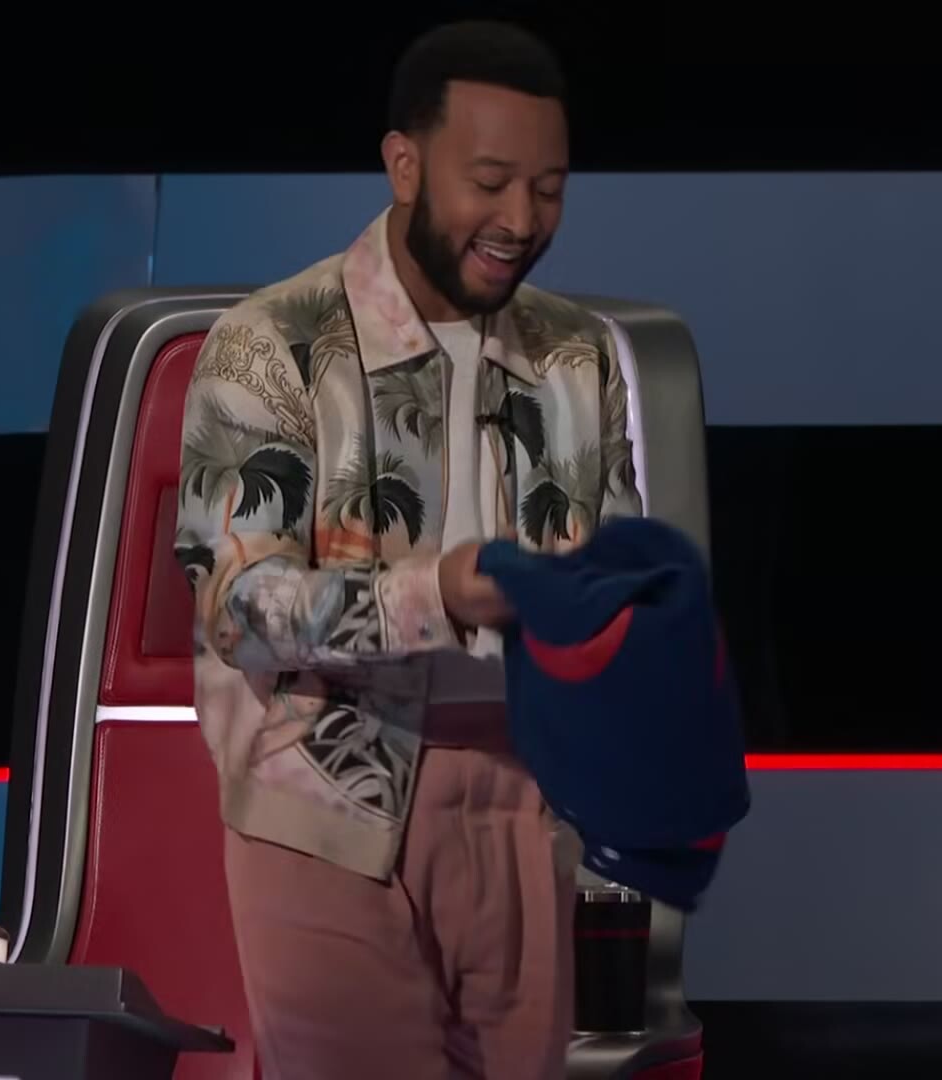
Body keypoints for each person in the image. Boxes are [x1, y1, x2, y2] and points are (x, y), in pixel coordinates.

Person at [174, 19, 641, 1079]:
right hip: (330, 803)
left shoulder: (577, 355)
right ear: (405, 165)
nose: (521, 220)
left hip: (526, 803)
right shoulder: (271, 343)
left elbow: (614, 563)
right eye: (491, 183)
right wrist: (445, 593)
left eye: (550, 189)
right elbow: (238, 606)